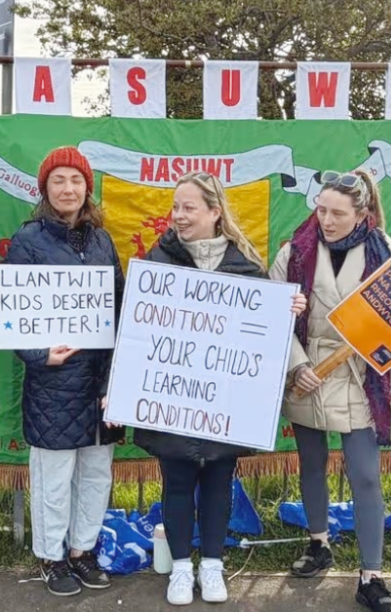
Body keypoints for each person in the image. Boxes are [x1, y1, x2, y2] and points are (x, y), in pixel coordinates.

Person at [133, 172, 306, 606]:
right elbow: (136, 331)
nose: (179, 216)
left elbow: (264, 331)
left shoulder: (245, 266)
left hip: (222, 402)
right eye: (176, 207)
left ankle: (211, 565)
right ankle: (179, 568)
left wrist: (288, 309)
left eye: (189, 207)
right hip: (173, 400)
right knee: (175, 484)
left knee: (217, 481)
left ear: (215, 212)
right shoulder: (157, 263)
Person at [269, 169, 391, 612]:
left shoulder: (386, 252)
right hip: (308, 373)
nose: (327, 220)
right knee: (311, 463)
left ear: (363, 214)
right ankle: (319, 543)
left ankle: (371, 576)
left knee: (366, 476)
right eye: (321, 209)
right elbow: (273, 313)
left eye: (337, 213)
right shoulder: (292, 252)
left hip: (361, 376)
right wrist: (297, 367)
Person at [4, 147, 125, 596]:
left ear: (87, 187)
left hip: (99, 381)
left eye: (76, 180)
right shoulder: (28, 240)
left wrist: (116, 379)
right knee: (53, 478)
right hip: (53, 383)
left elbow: (118, 308)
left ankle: (83, 550)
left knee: (96, 473)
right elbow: (14, 313)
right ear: (45, 189)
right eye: (59, 181)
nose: (68, 189)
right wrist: (39, 355)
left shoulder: (101, 241)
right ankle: (52, 557)